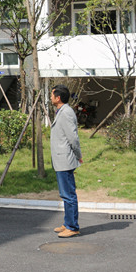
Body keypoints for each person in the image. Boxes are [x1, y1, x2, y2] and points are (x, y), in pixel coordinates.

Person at [50, 85, 83, 238]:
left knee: (69, 194)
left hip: (65, 159)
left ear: (58, 98)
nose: (50, 97)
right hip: (60, 159)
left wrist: (78, 155)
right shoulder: (61, 111)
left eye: (52, 95)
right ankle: (67, 222)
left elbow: (73, 138)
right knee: (65, 194)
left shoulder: (67, 112)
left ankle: (72, 227)